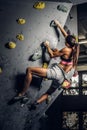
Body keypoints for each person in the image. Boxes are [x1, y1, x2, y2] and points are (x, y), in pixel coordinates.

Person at [14, 20, 80, 102]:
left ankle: (22, 94)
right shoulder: (75, 48)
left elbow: (52, 55)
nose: (64, 41)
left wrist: (47, 46)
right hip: (62, 78)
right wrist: (59, 25)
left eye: (65, 42)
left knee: (29, 70)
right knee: (48, 93)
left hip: (56, 73)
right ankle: (36, 102)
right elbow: (66, 36)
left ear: (68, 44)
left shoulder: (66, 49)